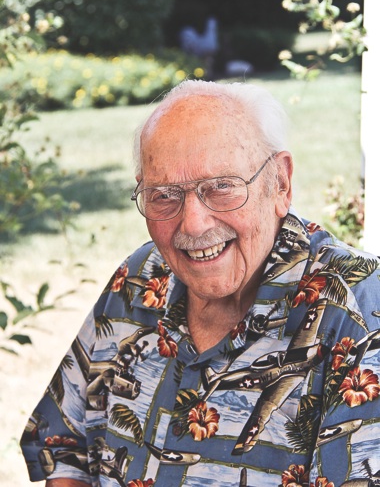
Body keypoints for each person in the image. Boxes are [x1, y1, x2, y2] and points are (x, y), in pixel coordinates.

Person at [20, 80, 380, 487]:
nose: (192, 223)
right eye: (163, 195)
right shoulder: (141, 279)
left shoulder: (359, 305)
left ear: (280, 182)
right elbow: (65, 446)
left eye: (221, 187)